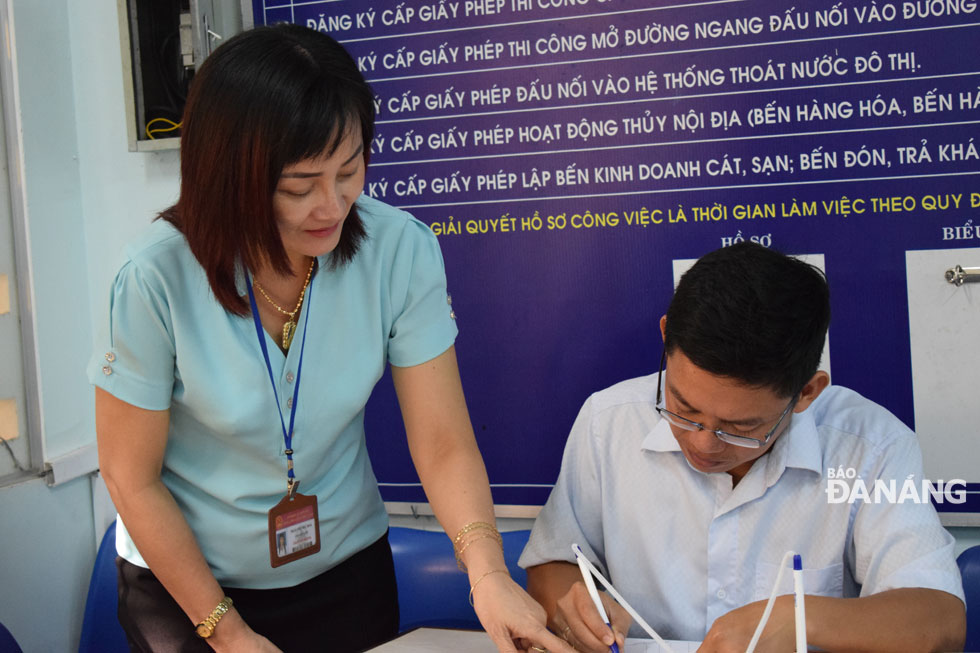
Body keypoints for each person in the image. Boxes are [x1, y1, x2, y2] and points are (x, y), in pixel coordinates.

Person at [89, 24, 572, 653]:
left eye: (350, 171)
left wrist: (486, 574)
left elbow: (444, 441)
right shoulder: (156, 278)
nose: (333, 205)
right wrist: (230, 634)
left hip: (344, 571)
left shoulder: (399, 249)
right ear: (228, 176)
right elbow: (132, 479)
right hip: (190, 590)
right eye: (299, 186)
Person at [519, 242, 966, 652]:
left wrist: (800, 619)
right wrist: (576, 607)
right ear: (665, 335)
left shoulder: (874, 448)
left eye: (740, 427)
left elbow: (940, 621)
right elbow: (554, 562)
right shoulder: (608, 421)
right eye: (682, 407)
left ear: (807, 393)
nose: (702, 443)